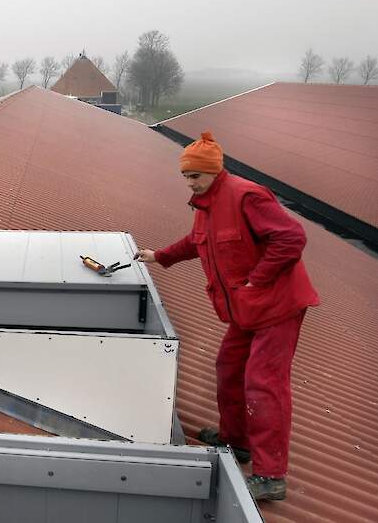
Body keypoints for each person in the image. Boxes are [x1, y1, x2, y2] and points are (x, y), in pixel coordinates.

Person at [135, 132, 318, 502]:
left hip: (277, 306)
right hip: (246, 310)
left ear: (214, 172)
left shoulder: (246, 196)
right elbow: (195, 242)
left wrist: (256, 279)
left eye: (195, 176)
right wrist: (160, 256)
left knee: (263, 382)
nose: (189, 182)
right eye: (185, 176)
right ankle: (238, 441)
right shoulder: (206, 205)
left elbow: (291, 238)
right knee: (229, 368)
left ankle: (271, 476)